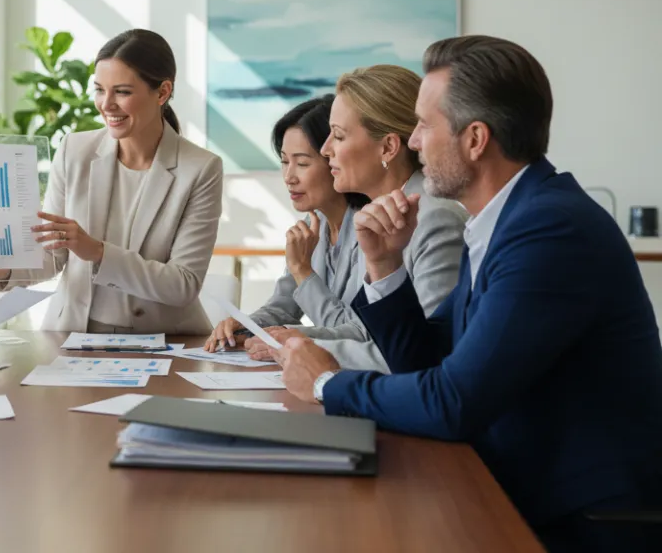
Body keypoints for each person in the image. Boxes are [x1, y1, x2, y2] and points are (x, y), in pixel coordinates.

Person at [277, 36, 662, 551]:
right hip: (513, 487)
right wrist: (386, 265)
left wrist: (327, 384)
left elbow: (454, 400)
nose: (412, 142)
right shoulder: (507, 221)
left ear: (475, 139)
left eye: (423, 126)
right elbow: (430, 360)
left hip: (579, 520)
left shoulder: (549, 230)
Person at [0, 29, 223, 334]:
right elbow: (52, 254)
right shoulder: (75, 150)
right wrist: (3, 267)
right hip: (72, 336)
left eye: (122, 92)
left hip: (166, 342)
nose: (106, 104)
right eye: (99, 89)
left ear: (162, 92)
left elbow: (182, 284)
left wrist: (97, 251)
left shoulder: (200, 169)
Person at [244, 65, 467, 371]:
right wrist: (293, 339)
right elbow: (367, 330)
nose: (326, 150)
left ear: (387, 147)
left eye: (337, 136)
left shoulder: (436, 221)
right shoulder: (378, 216)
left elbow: (423, 356)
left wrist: (305, 348)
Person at [204, 96, 368, 352]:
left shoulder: (371, 230)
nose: (289, 177)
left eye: (302, 163)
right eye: (284, 161)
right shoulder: (315, 223)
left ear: (335, 160)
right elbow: (284, 306)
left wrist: (302, 270)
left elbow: (350, 332)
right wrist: (247, 326)